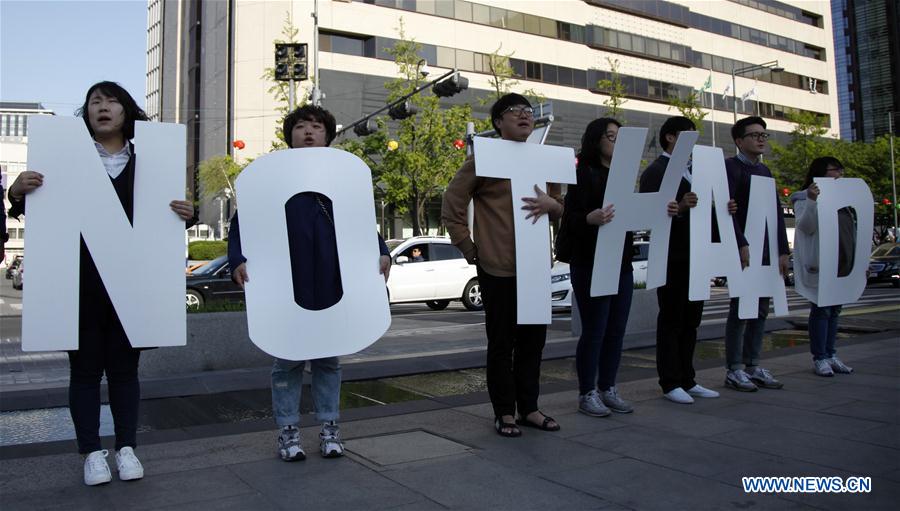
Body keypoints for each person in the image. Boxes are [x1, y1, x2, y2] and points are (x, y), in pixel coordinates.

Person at [6, 81, 196, 485]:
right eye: (95, 101)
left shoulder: (152, 159)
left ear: (126, 111)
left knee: (126, 373)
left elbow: (165, 215)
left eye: (111, 101)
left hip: (132, 286)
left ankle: (127, 448)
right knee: (85, 373)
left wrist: (187, 212)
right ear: (87, 113)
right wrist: (17, 192)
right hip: (81, 287)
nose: (103, 107)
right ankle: (91, 452)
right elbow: (44, 208)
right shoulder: (65, 159)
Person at [227, 104, 391, 461]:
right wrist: (236, 259)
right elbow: (244, 223)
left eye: (316, 127)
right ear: (290, 136)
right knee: (286, 361)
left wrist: (382, 253)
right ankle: (288, 431)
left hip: (333, 283)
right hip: (288, 284)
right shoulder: (271, 180)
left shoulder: (342, 181)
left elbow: (364, 224)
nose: (308, 132)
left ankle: (330, 427)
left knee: (329, 360)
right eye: (301, 126)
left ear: (328, 136)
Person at [442, 93, 564, 437]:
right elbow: (452, 205)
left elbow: (560, 204)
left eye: (528, 111)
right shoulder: (485, 157)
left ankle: (530, 408)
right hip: (497, 267)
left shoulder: (544, 158)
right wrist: (469, 248)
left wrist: (553, 206)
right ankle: (504, 413)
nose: (524, 116)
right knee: (501, 345)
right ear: (498, 122)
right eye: (514, 112)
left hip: (536, 267)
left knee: (533, 343)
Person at [639, 116, 724, 404]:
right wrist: (681, 209)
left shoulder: (694, 171)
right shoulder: (656, 171)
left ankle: (688, 379)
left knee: (692, 320)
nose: (693, 140)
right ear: (670, 138)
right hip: (672, 256)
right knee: (672, 318)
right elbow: (649, 216)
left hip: (696, 255)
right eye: (687, 134)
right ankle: (670, 381)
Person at [565, 118, 635, 416]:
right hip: (590, 261)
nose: (616, 142)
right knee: (595, 329)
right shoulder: (582, 173)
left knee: (617, 330)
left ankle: (608, 387)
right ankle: (587, 393)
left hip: (622, 261)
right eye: (610, 136)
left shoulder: (624, 176)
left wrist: (667, 209)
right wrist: (588, 218)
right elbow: (568, 217)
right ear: (596, 140)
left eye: (620, 137)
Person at [723, 116, 790, 392]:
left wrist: (783, 250)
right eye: (754, 135)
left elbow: (775, 212)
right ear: (739, 141)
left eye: (764, 134)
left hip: (766, 250)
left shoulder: (765, 172)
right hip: (744, 249)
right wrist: (739, 242)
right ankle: (734, 368)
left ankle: (753, 364)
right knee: (741, 309)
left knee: (761, 309)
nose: (761, 139)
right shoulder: (730, 168)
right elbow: (727, 211)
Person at [791, 157, 855, 377]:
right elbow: (806, 226)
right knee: (821, 310)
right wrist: (811, 200)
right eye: (834, 170)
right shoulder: (803, 197)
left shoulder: (844, 201)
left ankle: (830, 354)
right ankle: (820, 357)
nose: (839, 174)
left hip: (842, 262)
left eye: (841, 170)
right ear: (820, 173)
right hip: (820, 263)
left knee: (834, 310)